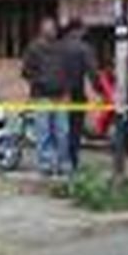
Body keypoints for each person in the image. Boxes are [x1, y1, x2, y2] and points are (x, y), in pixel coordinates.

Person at [21, 17, 71, 178]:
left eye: (53, 28)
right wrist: (40, 81)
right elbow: (26, 72)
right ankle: (45, 164)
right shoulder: (33, 48)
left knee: (62, 132)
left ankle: (63, 164)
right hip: (41, 96)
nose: (51, 31)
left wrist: (66, 87)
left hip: (60, 96)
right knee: (44, 132)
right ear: (41, 30)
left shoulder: (62, 48)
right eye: (48, 28)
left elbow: (67, 70)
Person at [58, 18, 97, 170]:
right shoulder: (84, 48)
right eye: (83, 30)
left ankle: (57, 161)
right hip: (76, 93)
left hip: (56, 93)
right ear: (78, 30)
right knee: (74, 129)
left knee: (58, 128)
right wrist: (100, 89)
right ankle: (72, 162)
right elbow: (92, 71)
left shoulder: (56, 46)